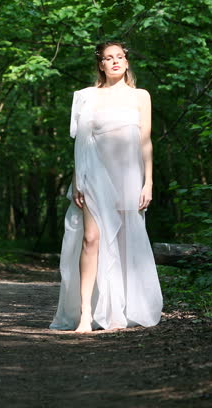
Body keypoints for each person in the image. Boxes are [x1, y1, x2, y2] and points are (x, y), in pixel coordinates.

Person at [49, 41, 163, 333]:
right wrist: (77, 180)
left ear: (126, 61)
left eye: (120, 57)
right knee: (91, 238)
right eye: (108, 58)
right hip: (94, 174)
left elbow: (145, 141)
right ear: (100, 64)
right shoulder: (87, 97)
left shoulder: (140, 96)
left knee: (123, 240)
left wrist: (148, 182)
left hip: (127, 174)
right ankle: (86, 313)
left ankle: (115, 310)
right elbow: (81, 144)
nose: (115, 62)